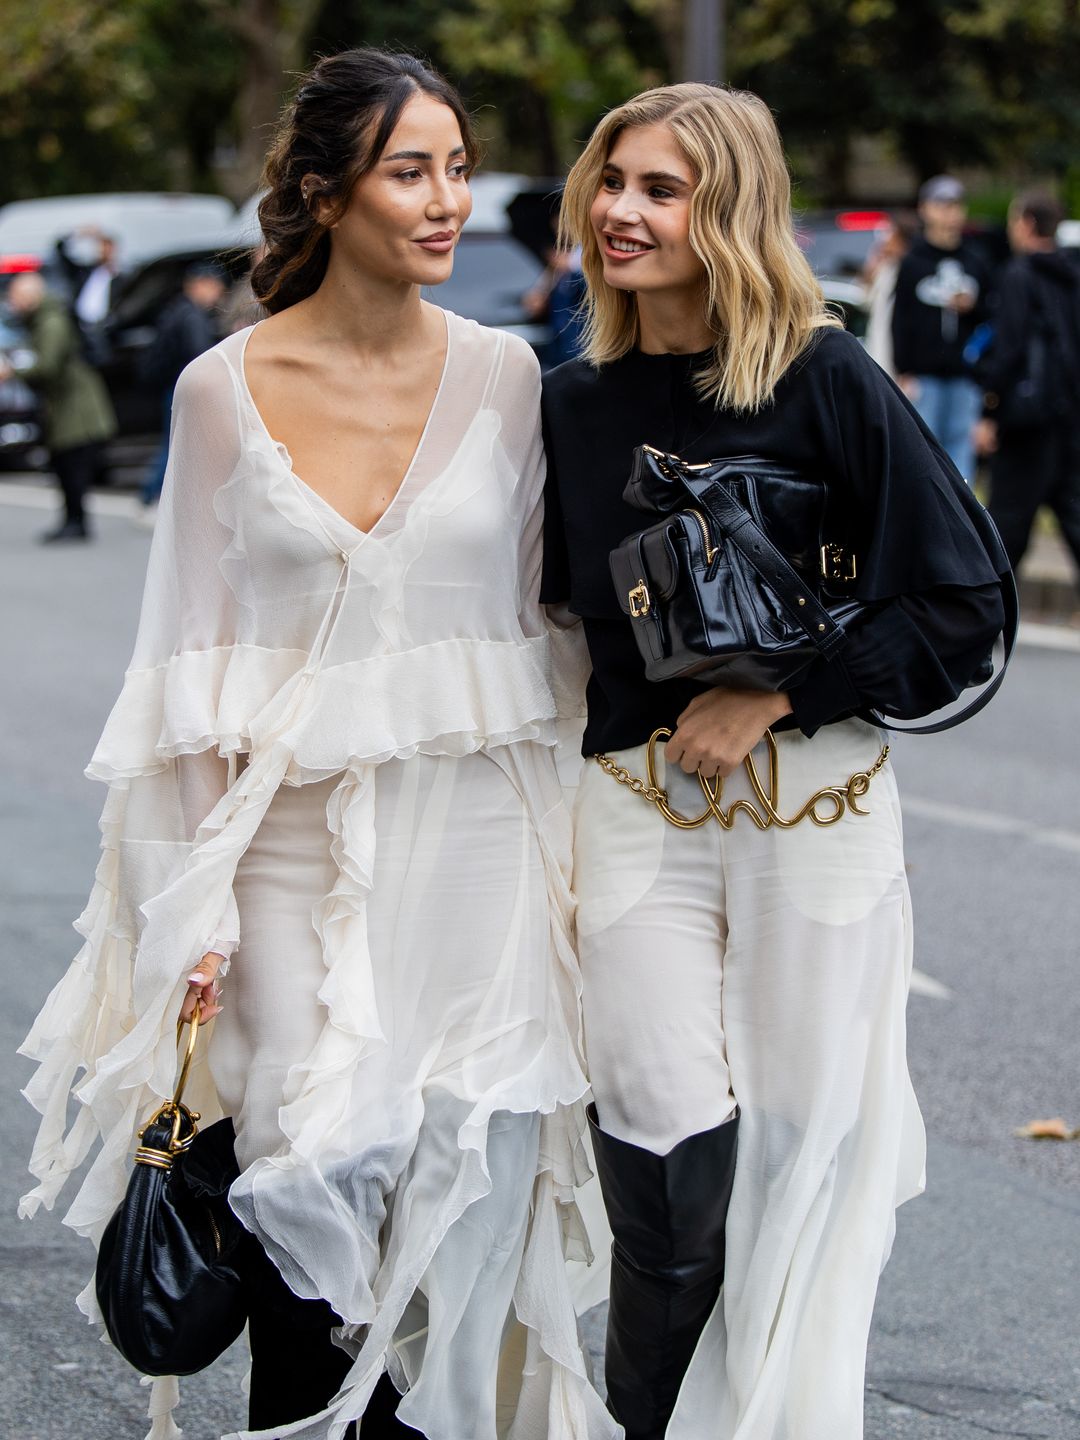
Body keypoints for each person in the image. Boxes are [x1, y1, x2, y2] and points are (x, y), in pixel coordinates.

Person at [20, 49, 614, 1440]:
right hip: (280, 842)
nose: (448, 199)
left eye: (458, 168)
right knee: (308, 1152)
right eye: (413, 169)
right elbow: (183, 663)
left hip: (473, 836)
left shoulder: (511, 377)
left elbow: (554, 636)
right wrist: (192, 908)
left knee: (442, 1165)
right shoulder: (220, 392)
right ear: (323, 191)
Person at [541, 83, 1011, 1440]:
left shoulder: (825, 375)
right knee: (658, 1130)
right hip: (637, 812)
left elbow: (964, 602)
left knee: (802, 1147)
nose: (623, 211)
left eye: (662, 189)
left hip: (820, 814)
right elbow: (549, 619)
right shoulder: (571, 405)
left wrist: (781, 693)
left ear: (730, 210)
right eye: (613, 182)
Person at [975, 191, 1080, 588]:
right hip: (1068, 416)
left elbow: (1009, 349)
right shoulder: (1073, 273)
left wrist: (990, 410)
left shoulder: (1019, 274)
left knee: (1006, 524)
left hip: (1027, 418)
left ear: (1028, 224)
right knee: (1073, 515)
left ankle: (985, 611)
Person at [0, 271, 116, 542]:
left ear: (30, 296)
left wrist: (12, 371)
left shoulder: (51, 321)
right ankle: (71, 521)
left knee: (72, 465)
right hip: (65, 405)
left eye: (15, 297)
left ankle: (76, 523)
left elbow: (48, 365)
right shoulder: (42, 319)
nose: (11, 303)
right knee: (64, 464)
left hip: (75, 406)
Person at [892, 174, 994, 483]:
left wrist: (972, 307)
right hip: (924, 375)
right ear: (925, 209)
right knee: (924, 449)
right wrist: (903, 369)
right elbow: (900, 317)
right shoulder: (913, 261)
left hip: (964, 374)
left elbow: (993, 317)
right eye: (942, 205)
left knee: (960, 448)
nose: (950, 213)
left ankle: (962, 522)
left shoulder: (976, 259)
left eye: (955, 205)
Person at [138, 261, 227, 516]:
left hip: (172, 385)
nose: (217, 293)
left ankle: (151, 494)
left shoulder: (177, 309)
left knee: (173, 441)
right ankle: (152, 494)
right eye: (214, 286)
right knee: (176, 444)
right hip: (182, 388)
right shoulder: (191, 316)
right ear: (199, 284)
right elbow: (199, 355)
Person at [861, 209, 918, 378]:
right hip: (879, 347)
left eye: (889, 233)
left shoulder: (910, 272)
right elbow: (866, 300)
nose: (884, 240)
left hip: (900, 358)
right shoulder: (886, 268)